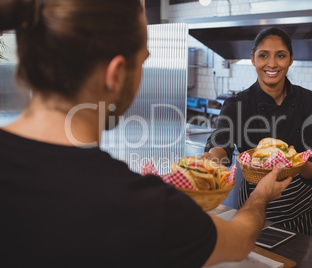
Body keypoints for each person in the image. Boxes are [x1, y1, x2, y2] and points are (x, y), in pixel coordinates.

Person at [0, 1, 292, 267]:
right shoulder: (137, 206)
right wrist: (262, 193)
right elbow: (240, 240)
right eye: (142, 61)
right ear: (114, 74)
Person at [203, 27, 312, 239]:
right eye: (263, 55)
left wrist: (294, 165)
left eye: (280, 55)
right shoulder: (237, 104)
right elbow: (221, 141)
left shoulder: (309, 102)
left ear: (290, 59)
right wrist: (213, 158)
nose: (272, 64)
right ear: (253, 59)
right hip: (254, 207)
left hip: (299, 208)